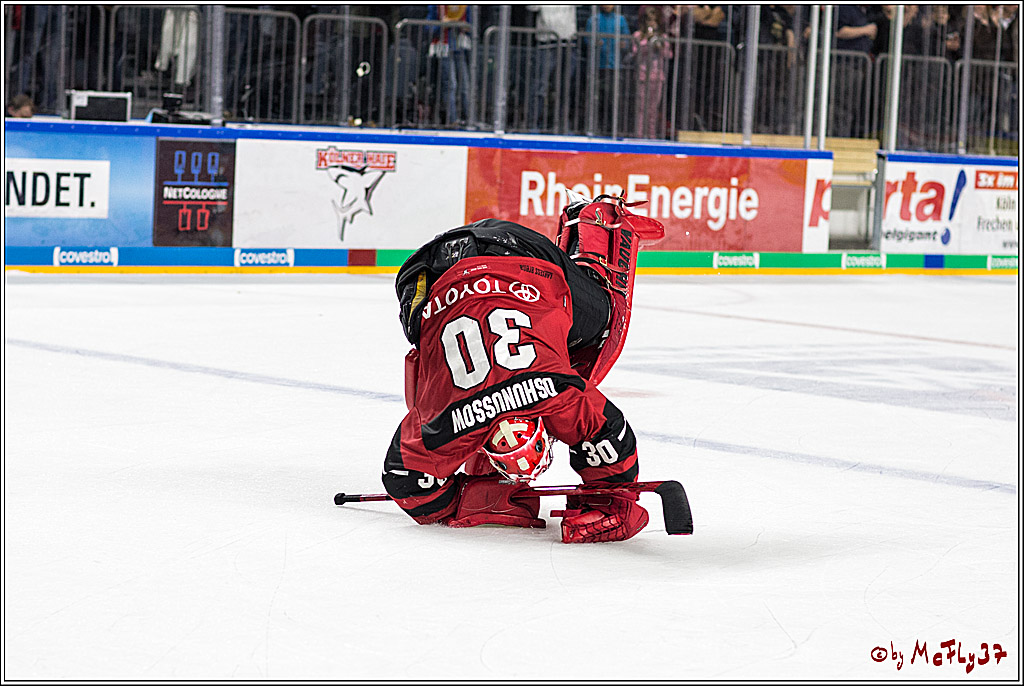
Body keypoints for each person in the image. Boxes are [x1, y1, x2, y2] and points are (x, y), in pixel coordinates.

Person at [382, 195, 664, 543]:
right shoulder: (443, 421)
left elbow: (613, 441)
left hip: (506, 255)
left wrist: (611, 504)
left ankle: (595, 220)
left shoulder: (559, 394)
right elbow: (404, 481)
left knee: (606, 320)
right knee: (423, 346)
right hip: (427, 271)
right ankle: (591, 224)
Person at [632, 7, 672, 138]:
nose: (652, 23)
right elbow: (635, 52)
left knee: (653, 109)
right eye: (649, 20)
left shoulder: (663, 37)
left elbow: (669, 55)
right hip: (643, 76)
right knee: (641, 108)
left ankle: (651, 135)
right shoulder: (638, 36)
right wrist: (647, 42)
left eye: (654, 20)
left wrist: (660, 45)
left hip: (658, 77)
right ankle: (639, 135)